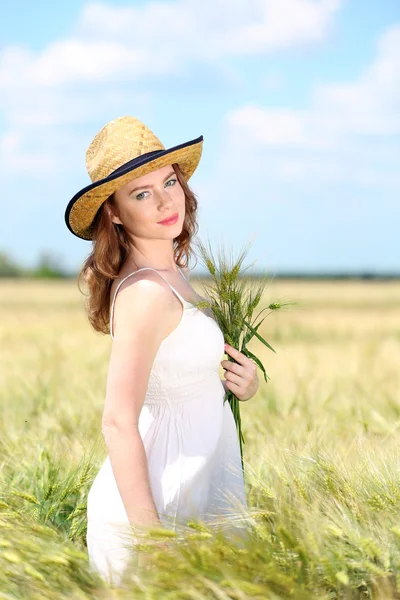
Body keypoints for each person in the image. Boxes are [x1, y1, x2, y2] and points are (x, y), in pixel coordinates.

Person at [64, 116, 253, 585]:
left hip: (200, 483)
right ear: (113, 212)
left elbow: (185, 375)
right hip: (160, 503)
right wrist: (151, 542)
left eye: (169, 181)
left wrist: (241, 382)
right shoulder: (146, 294)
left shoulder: (176, 276)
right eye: (141, 193)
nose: (166, 200)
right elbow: (116, 421)